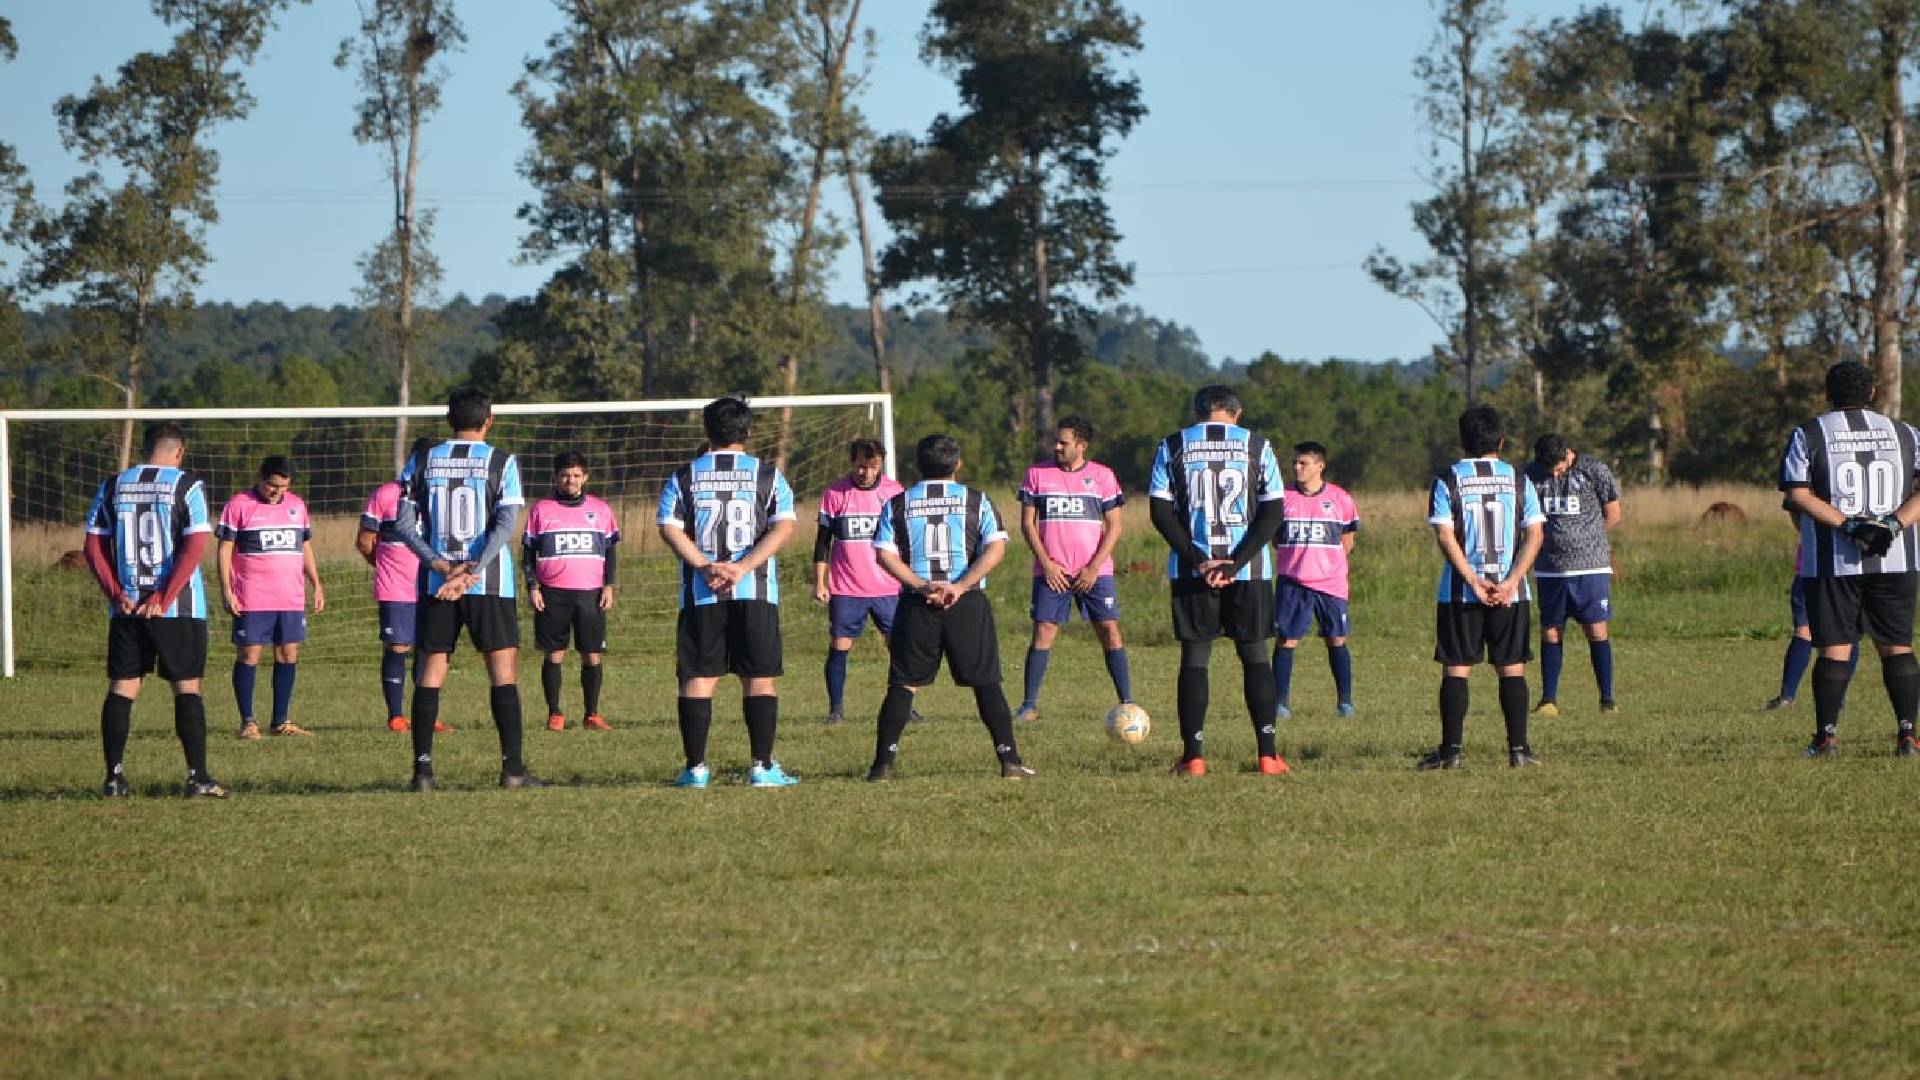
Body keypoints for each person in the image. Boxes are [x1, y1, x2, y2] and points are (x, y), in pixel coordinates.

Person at [393, 387, 548, 791]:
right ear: (489, 420)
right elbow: (504, 524)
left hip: (437, 583)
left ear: (448, 421)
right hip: (489, 583)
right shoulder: (502, 461)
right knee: (502, 673)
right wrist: (472, 568)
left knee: (430, 673)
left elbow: (404, 524)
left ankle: (422, 772)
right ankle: (512, 770)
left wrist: (442, 566)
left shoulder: (422, 459)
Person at [866, 433, 1033, 781]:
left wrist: (921, 585)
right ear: (957, 464)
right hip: (966, 603)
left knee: (903, 684)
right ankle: (1010, 761)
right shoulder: (977, 501)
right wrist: (959, 586)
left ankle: (882, 765)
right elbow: (995, 549)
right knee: (987, 683)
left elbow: (884, 554)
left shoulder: (897, 503)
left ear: (917, 466)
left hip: (917, 603)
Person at [1778, 360, 1920, 759]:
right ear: (1873, 392)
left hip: (1832, 562)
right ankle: (1908, 736)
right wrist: (1892, 525)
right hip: (1896, 559)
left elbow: (1798, 495)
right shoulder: (1905, 433)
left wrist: (1851, 527)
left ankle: (1826, 738)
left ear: (1828, 395)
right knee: (1897, 646)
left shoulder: (1808, 433)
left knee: (1835, 648)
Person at [656, 396, 800, 788]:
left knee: (699, 677)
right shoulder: (767, 475)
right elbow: (784, 526)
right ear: (748, 432)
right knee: (760, 677)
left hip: (702, 594)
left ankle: (696, 769)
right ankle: (762, 767)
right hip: (754, 592)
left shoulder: (684, 475)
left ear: (707, 432)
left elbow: (669, 527)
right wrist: (743, 567)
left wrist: (704, 566)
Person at [1148, 385, 1290, 777]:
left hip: (1193, 570)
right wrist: (1234, 563)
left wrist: (1199, 561)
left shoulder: (1173, 444)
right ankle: (1268, 755)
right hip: (1249, 570)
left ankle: (1193, 757)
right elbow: (1272, 512)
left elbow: (1160, 512)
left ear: (1197, 413)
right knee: (1255, 656)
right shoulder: (1258, 445)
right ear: (1237, 413)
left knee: (1195, 658)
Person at [83, 421, 226, 797]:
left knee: (123, 687)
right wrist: (164, 595)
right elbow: (195, 545)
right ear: (179, 451)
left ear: (146, 449)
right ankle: (198, 777)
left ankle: (113, 778)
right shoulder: (186, 485)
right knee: (187, 687)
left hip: (127, 606)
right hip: (176, 608)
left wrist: (116, 594)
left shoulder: (114, 485)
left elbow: (93, 548)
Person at [1421, 405, 1546, 770]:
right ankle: (1519, 751)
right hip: (1512, 592)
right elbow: (1535, 534)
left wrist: (1473, 580)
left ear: (1462, 440)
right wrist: (1510, 582)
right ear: (1501, 440)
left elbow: (1445, 535)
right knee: (1512, 667)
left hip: (1461, 593)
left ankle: (1451, 752)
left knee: (1457, 668)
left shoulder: (1447, 479)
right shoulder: (1519, 479)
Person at [1014, 416, 1133, 722]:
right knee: (1044, 631)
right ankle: (1028, 705)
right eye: (1056, 441)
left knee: (1109, 629)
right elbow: (1027, 524)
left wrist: (1093, 568)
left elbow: (1115, 526)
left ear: (1081, 445)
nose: (1056, 446)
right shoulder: (1037, 474)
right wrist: (1046, 564)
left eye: (1063, 442)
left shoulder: (1103, 476)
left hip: (1095, 572)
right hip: (1051, 572)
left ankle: (1128, 702)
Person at [217, 455, 323, 739]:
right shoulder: (238, 505)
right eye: (272, 486)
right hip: (252, 596)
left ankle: (280, 721)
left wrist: (316, 582)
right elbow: (225, 550)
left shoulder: (297, 506)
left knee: (288, 653)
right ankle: (248, 722)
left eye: (284, 487)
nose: (278, 492)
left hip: (289, 596)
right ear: (260, 477)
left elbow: (305, 547)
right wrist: (227, 590)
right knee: (250, 654)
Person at [1523, 434, 1622, 717]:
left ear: (1568, 455)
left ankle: (1607, 699)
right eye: (1548, 470)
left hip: (1590, 567)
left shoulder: (1594, 470)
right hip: (1550, 568)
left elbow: (1613, 513)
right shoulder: (1530, 475)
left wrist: (1589, 540)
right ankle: (1549, 700)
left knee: (1596, 629)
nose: (1553, 474)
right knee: (1551, 630)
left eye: (1557, 467)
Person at [355, 436, 448, 733]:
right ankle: (396, 716)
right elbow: (365, 542)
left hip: (432, 584)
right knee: (398, 646)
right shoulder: (386, 495)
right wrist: (385, 564)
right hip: (395, 586)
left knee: (430, 649)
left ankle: (427, 716)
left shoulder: (442, 495)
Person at [524, 450, 620, 731]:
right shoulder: (541, 509)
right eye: (565, 475)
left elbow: (611, 550)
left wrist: (609, 585)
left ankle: (592, 714)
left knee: (592, 654)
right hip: (553, 593)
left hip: (590, 593)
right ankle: (555, 713)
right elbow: (528, 553)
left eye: (576, 475)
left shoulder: (601, 509)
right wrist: (533, 586)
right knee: (554, 654)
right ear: (556, 477)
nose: (571, 480)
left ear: (585, 477)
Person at [812, 438, 905, 726]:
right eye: (861, 466)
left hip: (889, 587)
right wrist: (820, 582)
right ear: (853, 462)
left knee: (899, 647)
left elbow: (905, 539)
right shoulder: (835, 495)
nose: (866, 472)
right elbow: (822, 544)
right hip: (847, 587)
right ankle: (836, 709)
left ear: (881, 465)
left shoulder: (894, 493)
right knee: (840, 644)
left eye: (873, 466)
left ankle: (904, 705)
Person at [1270, 441, 1359, 720]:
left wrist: (1327, 566)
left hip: (1330, 584)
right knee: (1286, 641)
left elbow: (1347, 542)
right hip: (1293, 582)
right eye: (1295, 462)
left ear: (1320, 466)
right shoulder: (1281, 499)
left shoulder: (1341, 499)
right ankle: (1280, 703)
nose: (1297, 467)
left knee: (1336, 639)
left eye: (1303, 463)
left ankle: (1345, 702)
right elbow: (1275, 539)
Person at [1763, 508, 1857, 711]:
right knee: (1847, 634)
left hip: (1812, 565)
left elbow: (1796, 512)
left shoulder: (1809, 479)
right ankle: (1838, 697)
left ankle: (1787, 696)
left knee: (1804, 630)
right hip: (1849, 565)